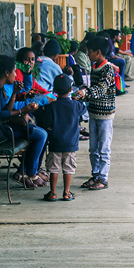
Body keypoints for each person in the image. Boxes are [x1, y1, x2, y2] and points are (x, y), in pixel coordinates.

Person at [0, 54, 48, 188]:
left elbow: (5, 108)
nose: (16, 75)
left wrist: (15, 93)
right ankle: (29, 173)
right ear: (7, 72)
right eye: (14, 71)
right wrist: (23, 110)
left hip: (0, 128)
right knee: (41, 134)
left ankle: (28, 171)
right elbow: (0, 114)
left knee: (41, 132)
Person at [74, 36, 117, 191]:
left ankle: (103, 178)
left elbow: (101, 88)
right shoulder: (94, 66)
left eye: (89, 52)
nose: (88, 54)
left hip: (105, 115)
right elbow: (93, 87)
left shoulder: (108, 69)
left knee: (104, 148)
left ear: (98, 52)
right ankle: (95, 175)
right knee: (93, 148)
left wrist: (85, 93)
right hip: (94, 113)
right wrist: (85, 92)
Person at [39, 74, 87, 202]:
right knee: (68, 168)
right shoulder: (75, 105)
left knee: (53, 168)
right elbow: (83, 108)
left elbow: (46, 122)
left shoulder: (52, 106)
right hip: (70, 144)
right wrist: (78, 99)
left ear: (54, 91)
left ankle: (53, 193)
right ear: (71, 89)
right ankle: (66, 192)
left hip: (55, 143)